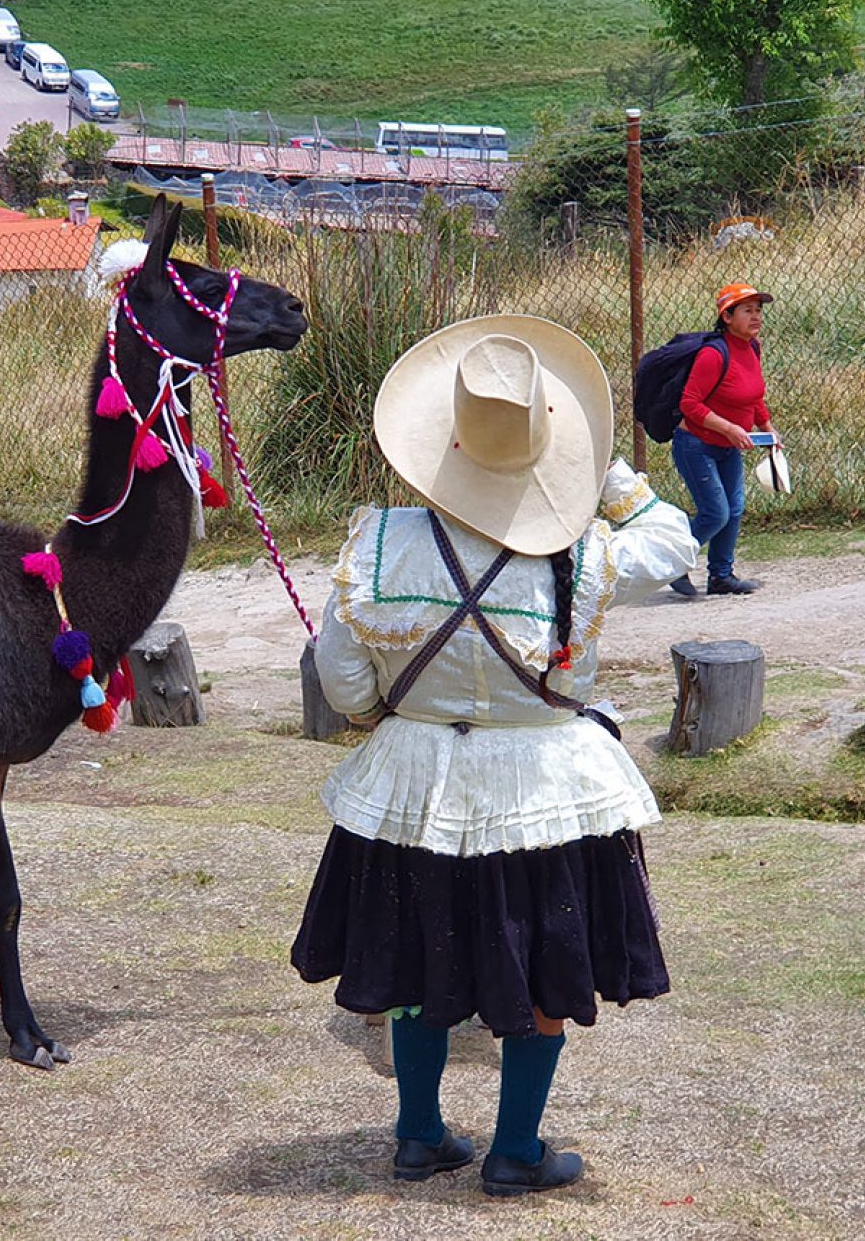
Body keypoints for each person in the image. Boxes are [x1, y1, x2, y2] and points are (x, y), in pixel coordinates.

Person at [291, 316, 696, 1196]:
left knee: (411, 954)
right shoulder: (589, 550)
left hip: (412, 786)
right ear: (550, 450)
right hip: (546, 785)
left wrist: (396, 709)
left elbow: (344, 681)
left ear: (443, 443)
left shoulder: (378, 544)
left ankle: (419, 1134)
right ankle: (514, 1151)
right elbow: (675, 542)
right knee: (543, 956)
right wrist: (610, 479)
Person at [668, 282, 777, 597]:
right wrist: (729, 428)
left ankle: (721, 576)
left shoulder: (752, 347)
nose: (756, 317)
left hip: (729, 446)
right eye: (747, 310)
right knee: (716, 512)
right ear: (727, 317)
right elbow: (690, 405)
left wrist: (768, 428)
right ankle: (671, 563)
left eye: (758, 310)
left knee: (734, 509)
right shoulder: (713, 354)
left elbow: (753, 395)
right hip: (696, 446)